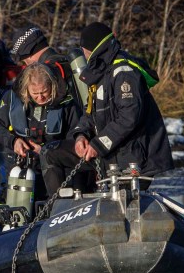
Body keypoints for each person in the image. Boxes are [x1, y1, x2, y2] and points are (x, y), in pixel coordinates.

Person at [70, 21, 174, 176]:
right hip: (113, 152)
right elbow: (90, 112)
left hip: (136, 156)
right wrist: (81, 135)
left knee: (124, 198)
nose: (83, 55)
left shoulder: (124, 72)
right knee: (53, 154)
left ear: (93, 49)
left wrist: (99, 144)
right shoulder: (100, 72)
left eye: (84, 51)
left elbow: (129, 117)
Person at [0, 62, 83, 198]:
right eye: (35, 93)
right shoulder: (12, 100)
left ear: (52, 86)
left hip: (56, 171)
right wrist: (14, 141)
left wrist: (46, 152)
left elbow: (74, 138)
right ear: (26, 89)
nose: (40, 97)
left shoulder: (67, 103)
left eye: (44, 92)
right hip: (19, 168)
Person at [9, 25, 73, 83]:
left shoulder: (45, 72)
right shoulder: (67, 60)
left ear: (29, 55)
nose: (27, 65)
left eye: (24, 61)